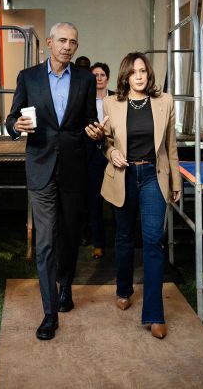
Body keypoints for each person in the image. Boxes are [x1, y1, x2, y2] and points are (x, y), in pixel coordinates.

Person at [5, 22, 97, 340]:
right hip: (40, 167)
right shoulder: (28, 77)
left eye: (73, 41)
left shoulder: (85, 79)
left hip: (73, 167)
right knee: (45, 243)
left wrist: (96, 133)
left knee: (70, 237)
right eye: (62, 40)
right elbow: (11, 118)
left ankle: (66, 284)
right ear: (48, 43)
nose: (67, 47)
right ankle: (49, 314)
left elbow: (89, 121)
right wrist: (16, 125)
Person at [96, 52, 181, 339]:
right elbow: (105, 142)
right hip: (124, 176)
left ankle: (155, 314)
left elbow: (170, 145)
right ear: (125, 77)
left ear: (149, 73)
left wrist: (176, 181)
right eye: (133, 72)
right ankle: (123, 288)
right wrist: (112, 152)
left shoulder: (164, 101)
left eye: (143, 71)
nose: (139, 76)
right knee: (123, 236)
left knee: (154, 241)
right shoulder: (111, 102)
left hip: (154, 178)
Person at [87, 62, 115, 259]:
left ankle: (118, 241)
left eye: (102, 74)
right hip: (91, 153)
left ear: (108, 78)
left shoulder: (116, 99)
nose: (98, 78)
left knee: (116, 199)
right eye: (95, 75)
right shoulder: (84, 99)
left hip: (112, 151)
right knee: (94, 200)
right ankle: (98, 243)